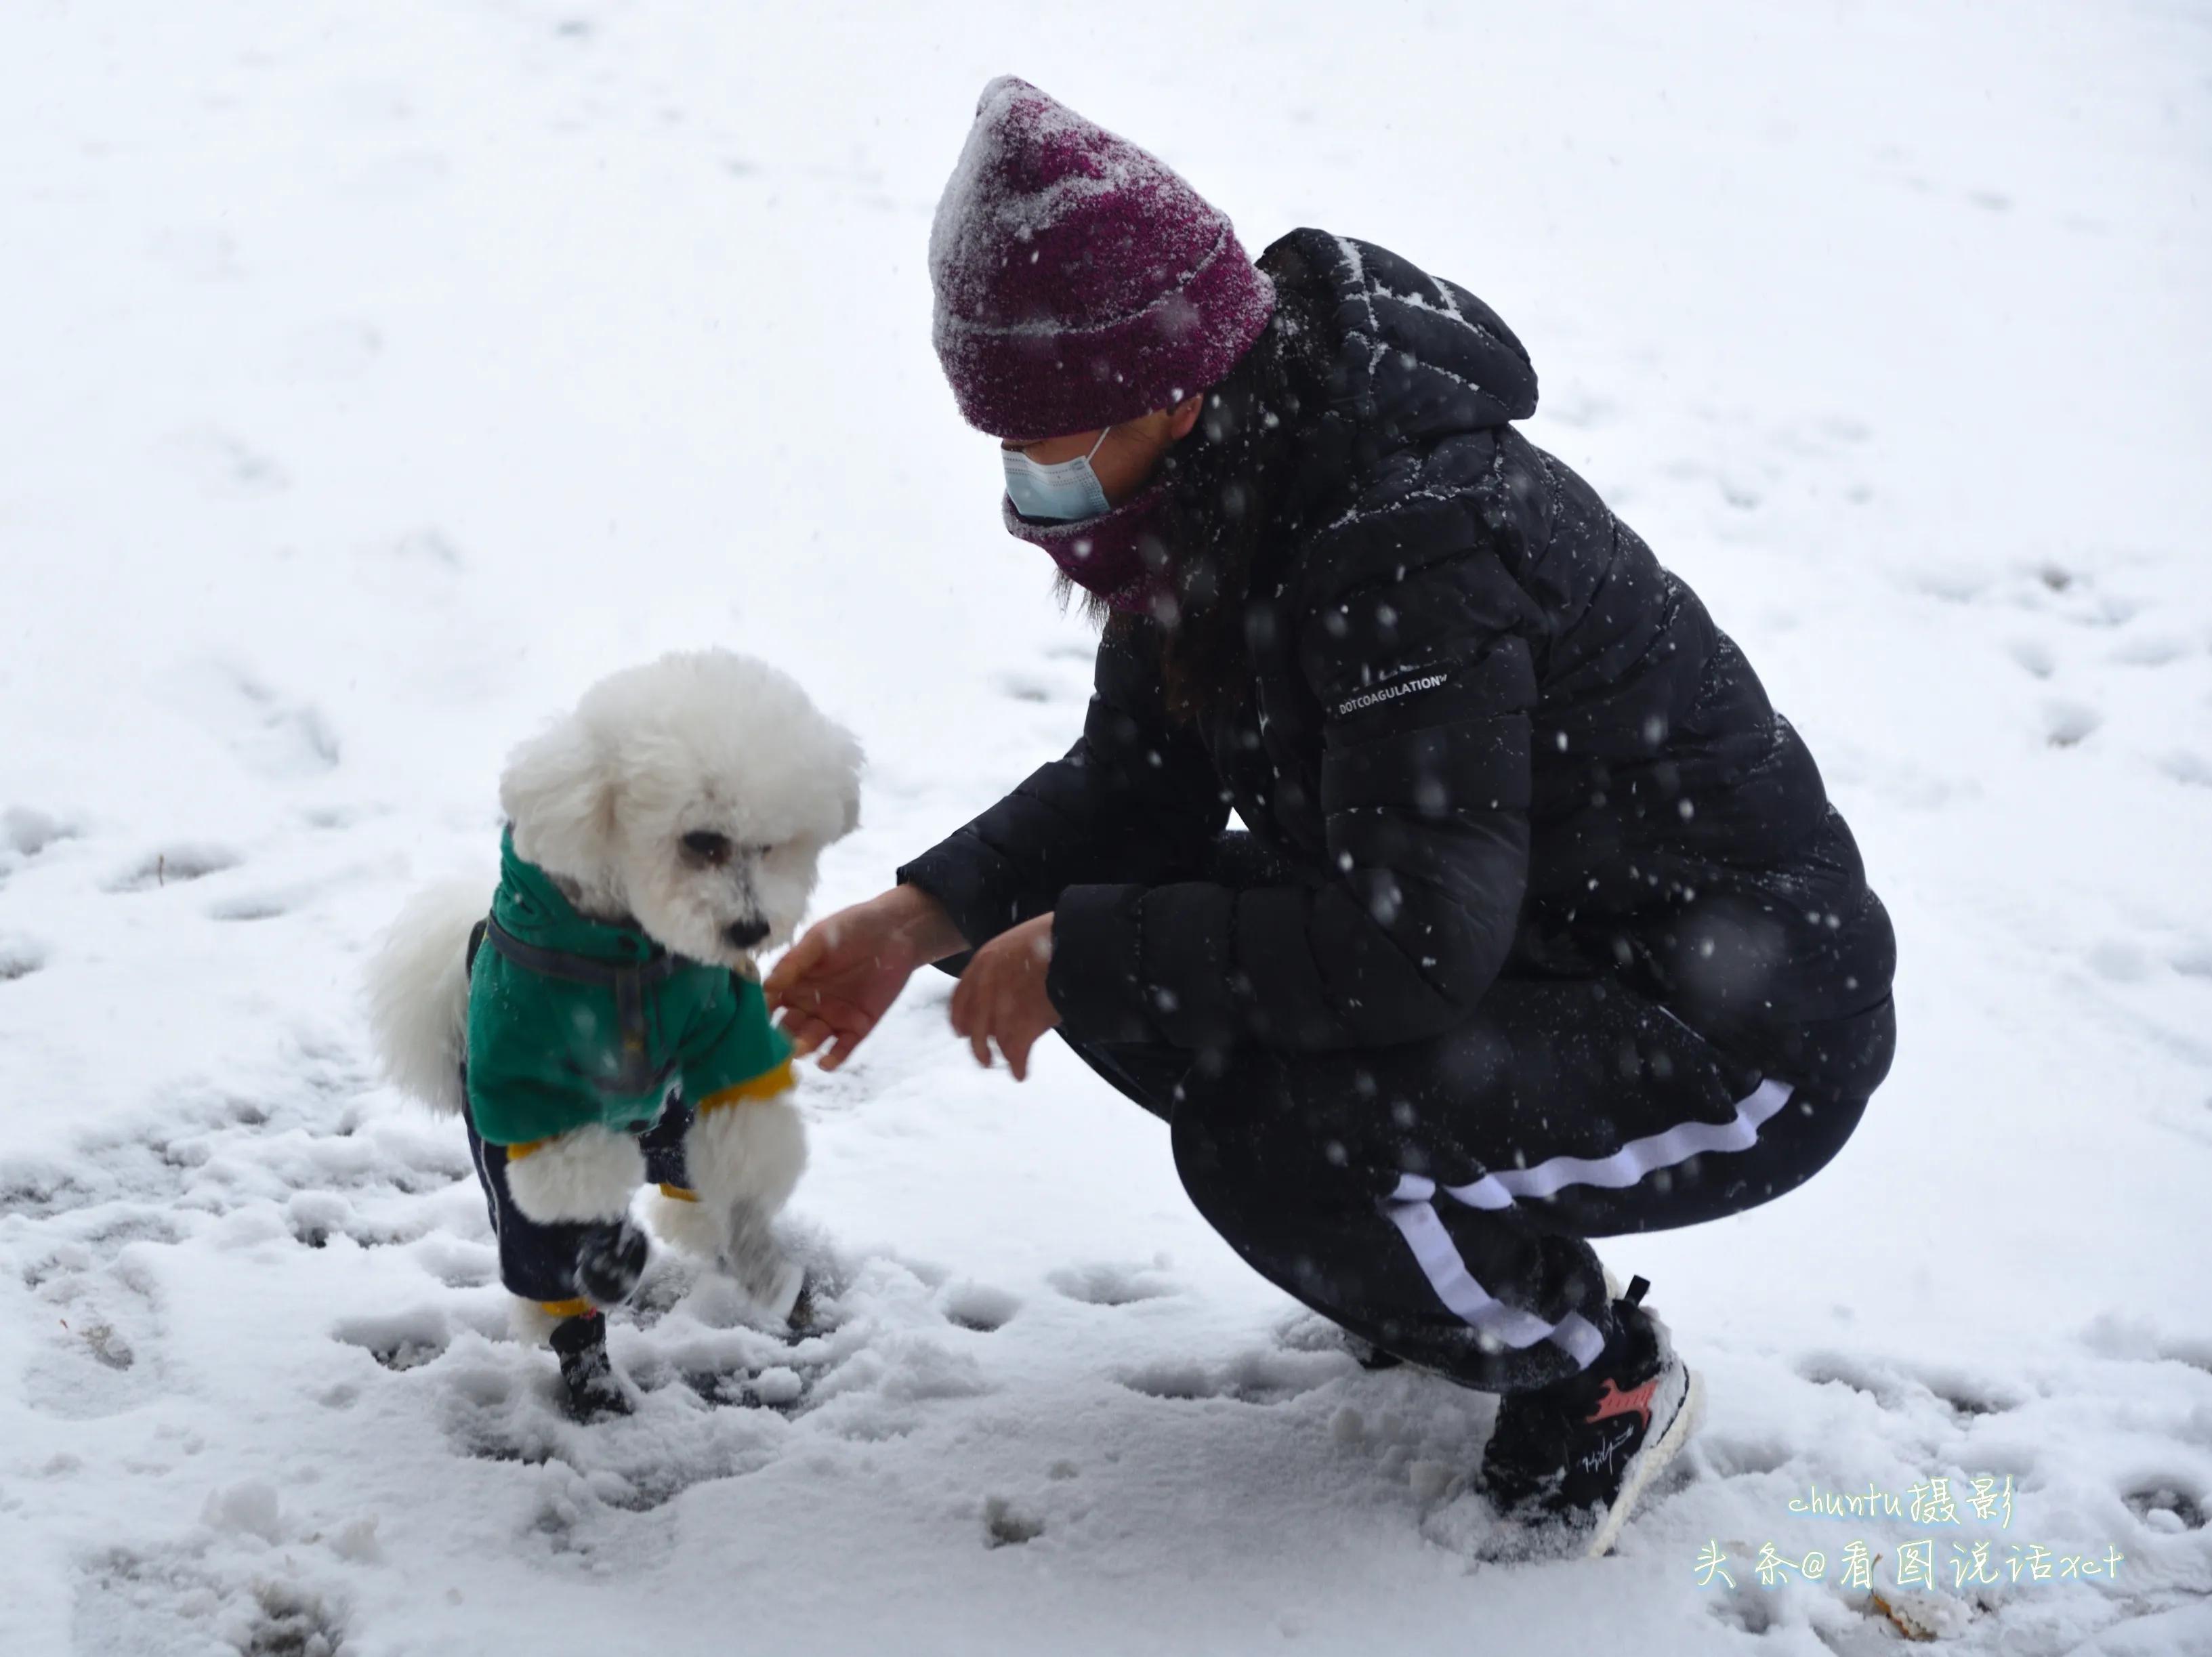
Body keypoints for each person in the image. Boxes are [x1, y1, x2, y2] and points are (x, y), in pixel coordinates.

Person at [766, 77, 1896, 1556]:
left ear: (1167, 389)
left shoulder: (1405, 540)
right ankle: (1427, 1247)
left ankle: (1594, 1374)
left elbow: (1412, 944)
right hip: (1528, 939)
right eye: (1004, 439)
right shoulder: (1219, 483)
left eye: (1047, 436)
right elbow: (1139, 788)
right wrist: (922, 916)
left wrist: (1077, 949)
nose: (1026, 479)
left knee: (1270, 1138)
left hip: (1737, 1025)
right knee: (1129, 970)